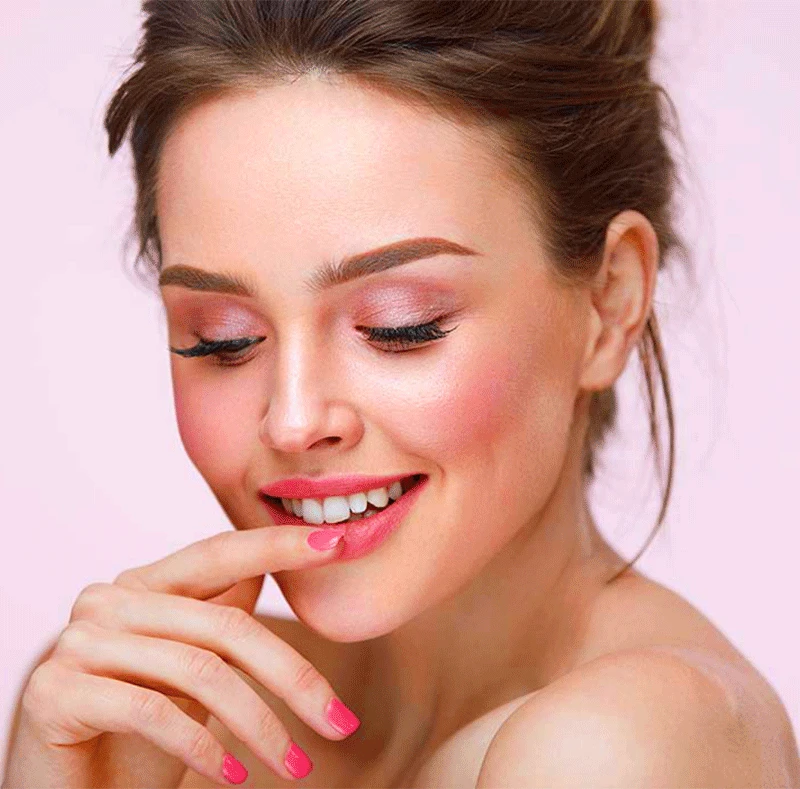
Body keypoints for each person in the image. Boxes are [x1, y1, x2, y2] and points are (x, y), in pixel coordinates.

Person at [4, 1, 799, 787]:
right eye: (224, 338)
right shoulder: (152, 720)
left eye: (400, 324)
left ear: (608, 300)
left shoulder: (621, 748)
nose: (293, 420)